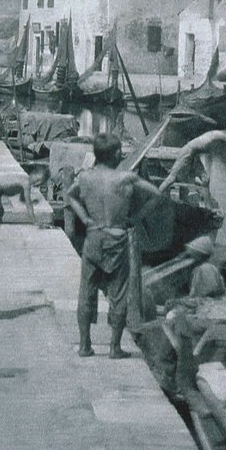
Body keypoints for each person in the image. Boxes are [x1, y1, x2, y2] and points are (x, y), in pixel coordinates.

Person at [65, 133, 165, 359]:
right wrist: (136, 218)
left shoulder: (85, 177)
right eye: (119, 151)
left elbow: (69, 196)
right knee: (118, 292)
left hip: (93, 235)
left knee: (86, 290)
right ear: (112, 154)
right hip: (117, 237)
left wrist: (84, 217)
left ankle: (84, 345)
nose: (122, 154)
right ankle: (114, 347)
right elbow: (157, 195)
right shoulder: (125, 178)